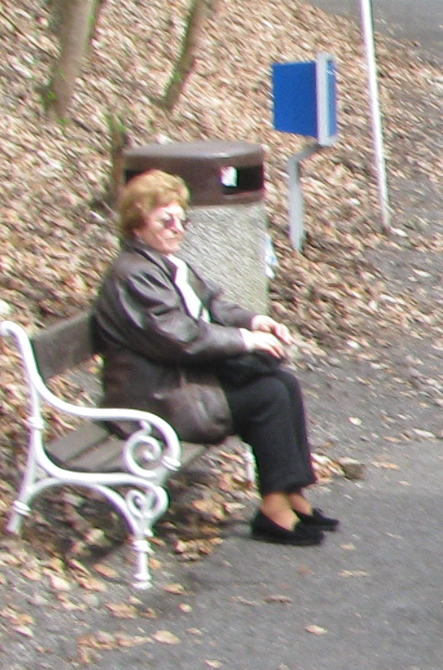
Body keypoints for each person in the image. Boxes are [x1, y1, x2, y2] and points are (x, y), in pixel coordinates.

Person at [92, 172, 336, 547]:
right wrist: (245, 340)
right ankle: (274, 508)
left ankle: (291, 493)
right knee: (267, 396)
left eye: (181, 220)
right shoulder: (134, 275)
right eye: (165, 221)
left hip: (179, 382)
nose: (177, 229)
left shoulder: (166, 264)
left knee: (281, 383)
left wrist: (253, 320)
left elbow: (212, 302)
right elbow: (177, 336)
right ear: (137, 225)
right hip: (156, 398)